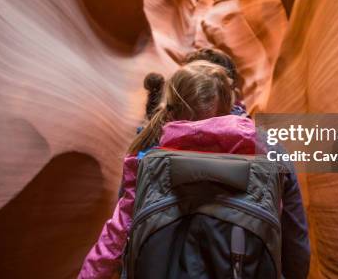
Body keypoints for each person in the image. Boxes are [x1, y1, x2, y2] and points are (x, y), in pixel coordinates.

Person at [78, 60, 310, 278]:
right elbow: (294, 241)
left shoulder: (147, 158)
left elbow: (115, 239)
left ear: (172, 109)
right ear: (230, 105)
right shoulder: (265, 152)